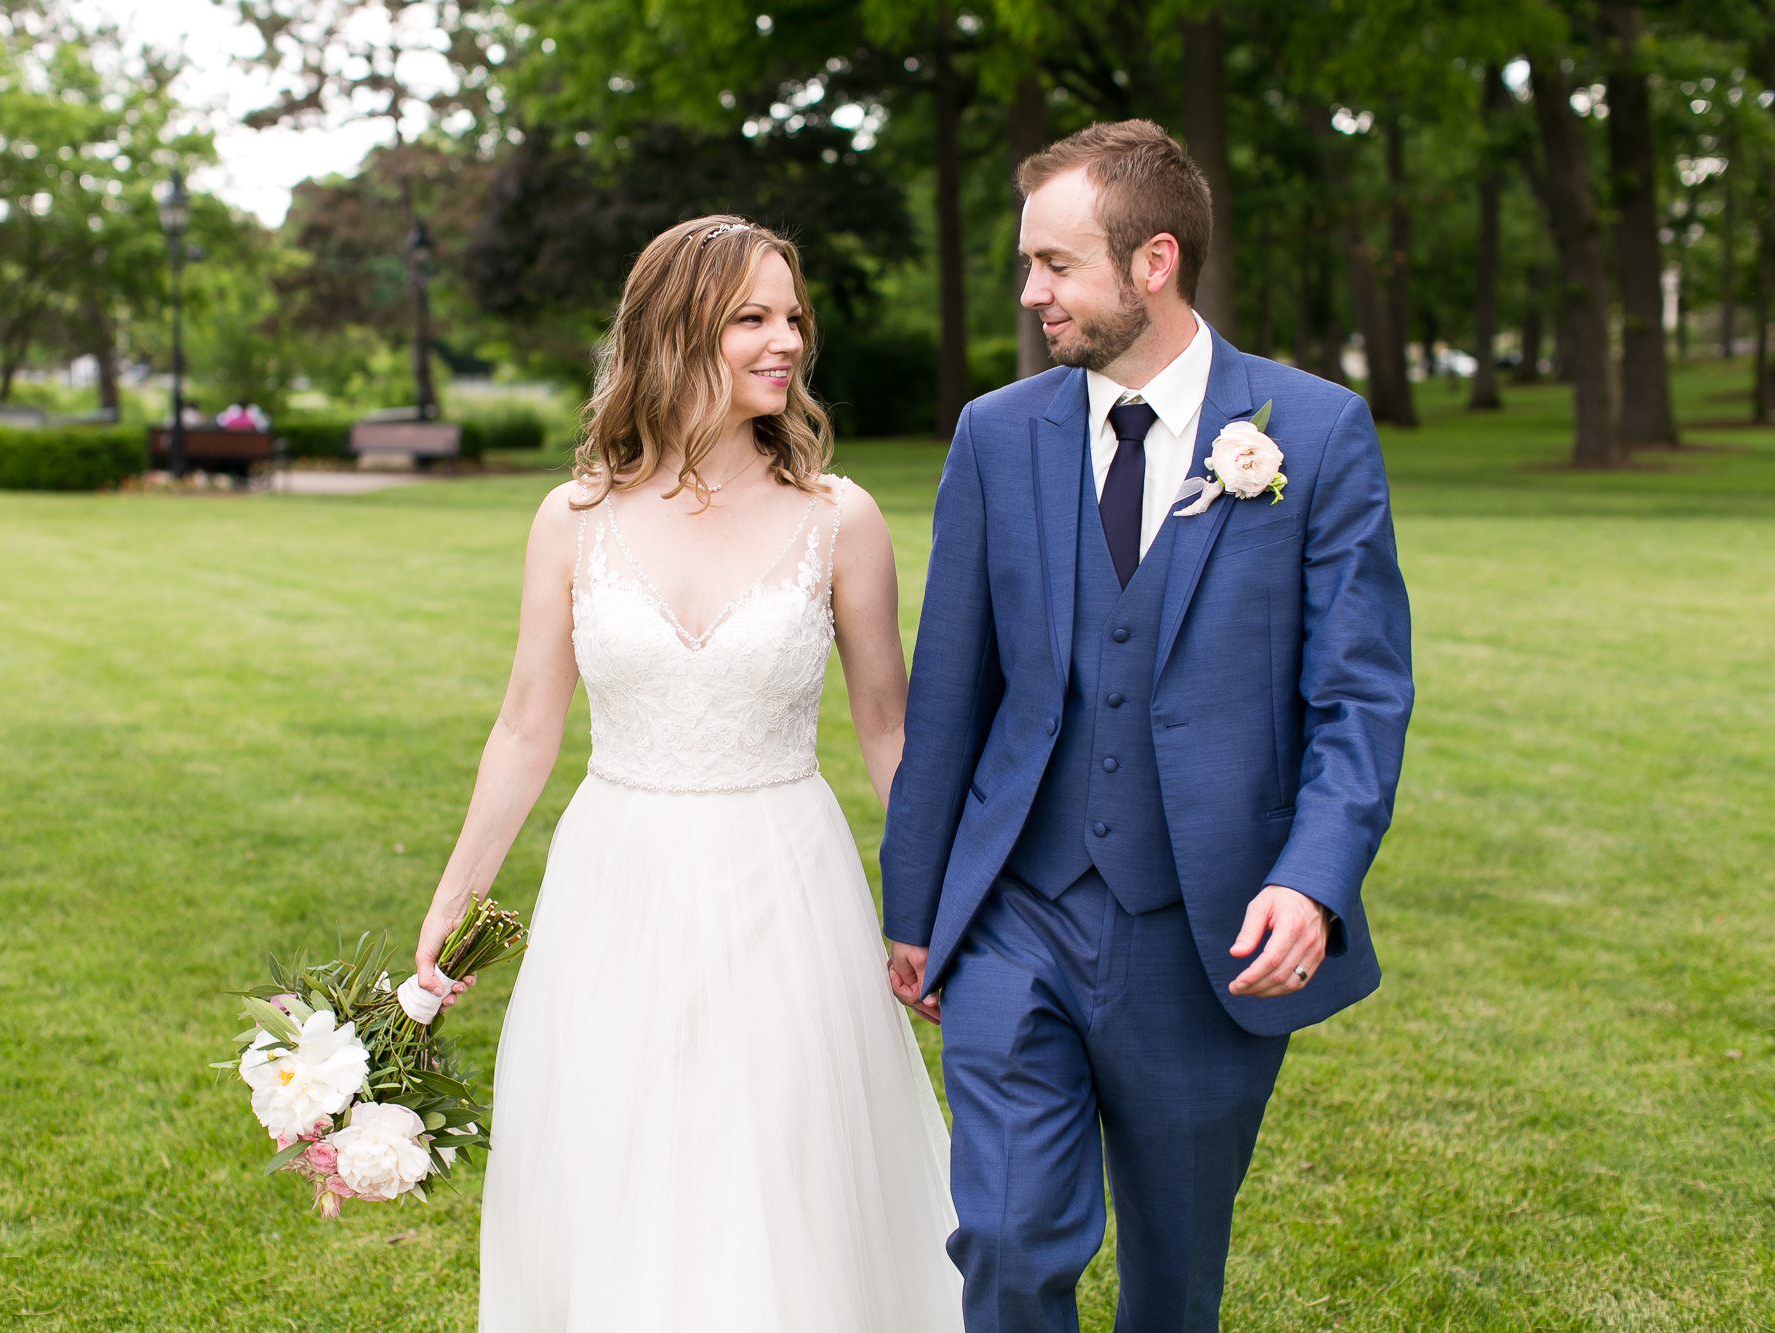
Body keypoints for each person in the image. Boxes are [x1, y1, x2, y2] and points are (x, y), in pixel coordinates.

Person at [880, 120, 1415, 1333]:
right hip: (1016, 911)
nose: (1031, 294)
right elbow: (950, 689)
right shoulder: (995, 434)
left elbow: (1358, 695)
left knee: (1174, 1282)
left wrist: (1311, 882)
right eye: (1028, 265)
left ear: (1154, 261)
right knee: (1008, 1239)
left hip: (1206, 926)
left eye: (1055, 265)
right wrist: (914, 910)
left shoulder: (1310, 432)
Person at [412, 215, 963, 1332]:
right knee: (624, 1160)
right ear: (674, 332)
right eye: (751, 317)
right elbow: (526, 728)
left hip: (784, 879)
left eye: (792, 315)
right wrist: (450, 903)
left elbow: (887, 731)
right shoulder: (571, 520)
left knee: (777, 1163)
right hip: (617, 884)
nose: (786, 341)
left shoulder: (839, 519)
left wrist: (932, 908)